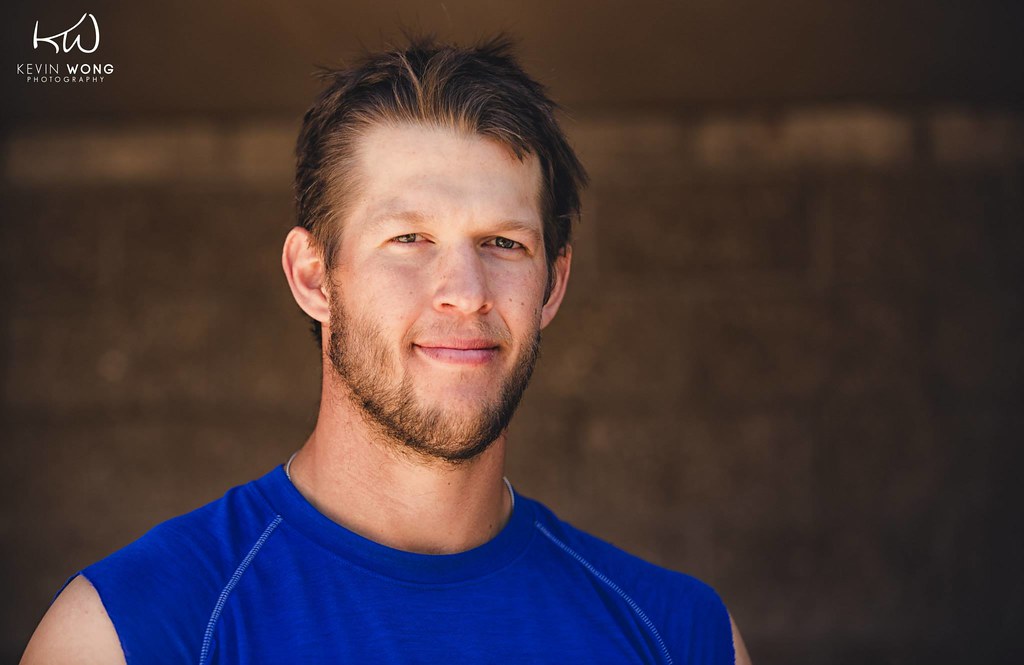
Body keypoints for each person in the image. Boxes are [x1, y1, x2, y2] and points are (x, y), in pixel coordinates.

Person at [21, 36, 752, 665]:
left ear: (553, 284)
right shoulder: (130, 634)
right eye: (409, 238)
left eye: (503, 243)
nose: (465, 291)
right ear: (314, 276)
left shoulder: (681, 636)